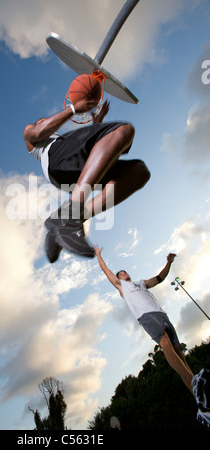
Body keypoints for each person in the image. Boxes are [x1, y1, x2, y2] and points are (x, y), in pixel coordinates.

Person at [94, 245, 210, 428]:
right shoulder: (121, 286)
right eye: (120, 273)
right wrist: (99, 256)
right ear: (119, 278)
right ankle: (193, 381)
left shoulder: (141, 283)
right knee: (163, 341)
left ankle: (202, 407)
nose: (123, 274)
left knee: (179, 354)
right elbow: (106, 271)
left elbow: (159, 278)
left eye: (125, 272)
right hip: (146, 316)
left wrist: (168, 263)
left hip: (161, 314)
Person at [24, 98, 150, 262]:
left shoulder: (65, 142)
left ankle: (66, 220)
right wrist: (73, 109)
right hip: (57, 162)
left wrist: (96, 125)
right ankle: (72, 215)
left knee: (139, 172)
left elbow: (90, 152)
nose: (44, 121)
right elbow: (37, 132)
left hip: (74, 171)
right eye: (41, 121)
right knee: (122, 130)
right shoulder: (33, 136)